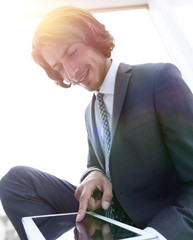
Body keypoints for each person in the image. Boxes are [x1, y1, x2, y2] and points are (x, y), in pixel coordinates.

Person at [0, 6, 193, 240]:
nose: (71, 73)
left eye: (72, 52)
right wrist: (92, 172)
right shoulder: (90, 112)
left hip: (150, 224)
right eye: (58, 67)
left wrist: (156, 235)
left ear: (93, 39)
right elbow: (98, 166)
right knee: (16, 181)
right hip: (103, 219)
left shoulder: (157, 80)